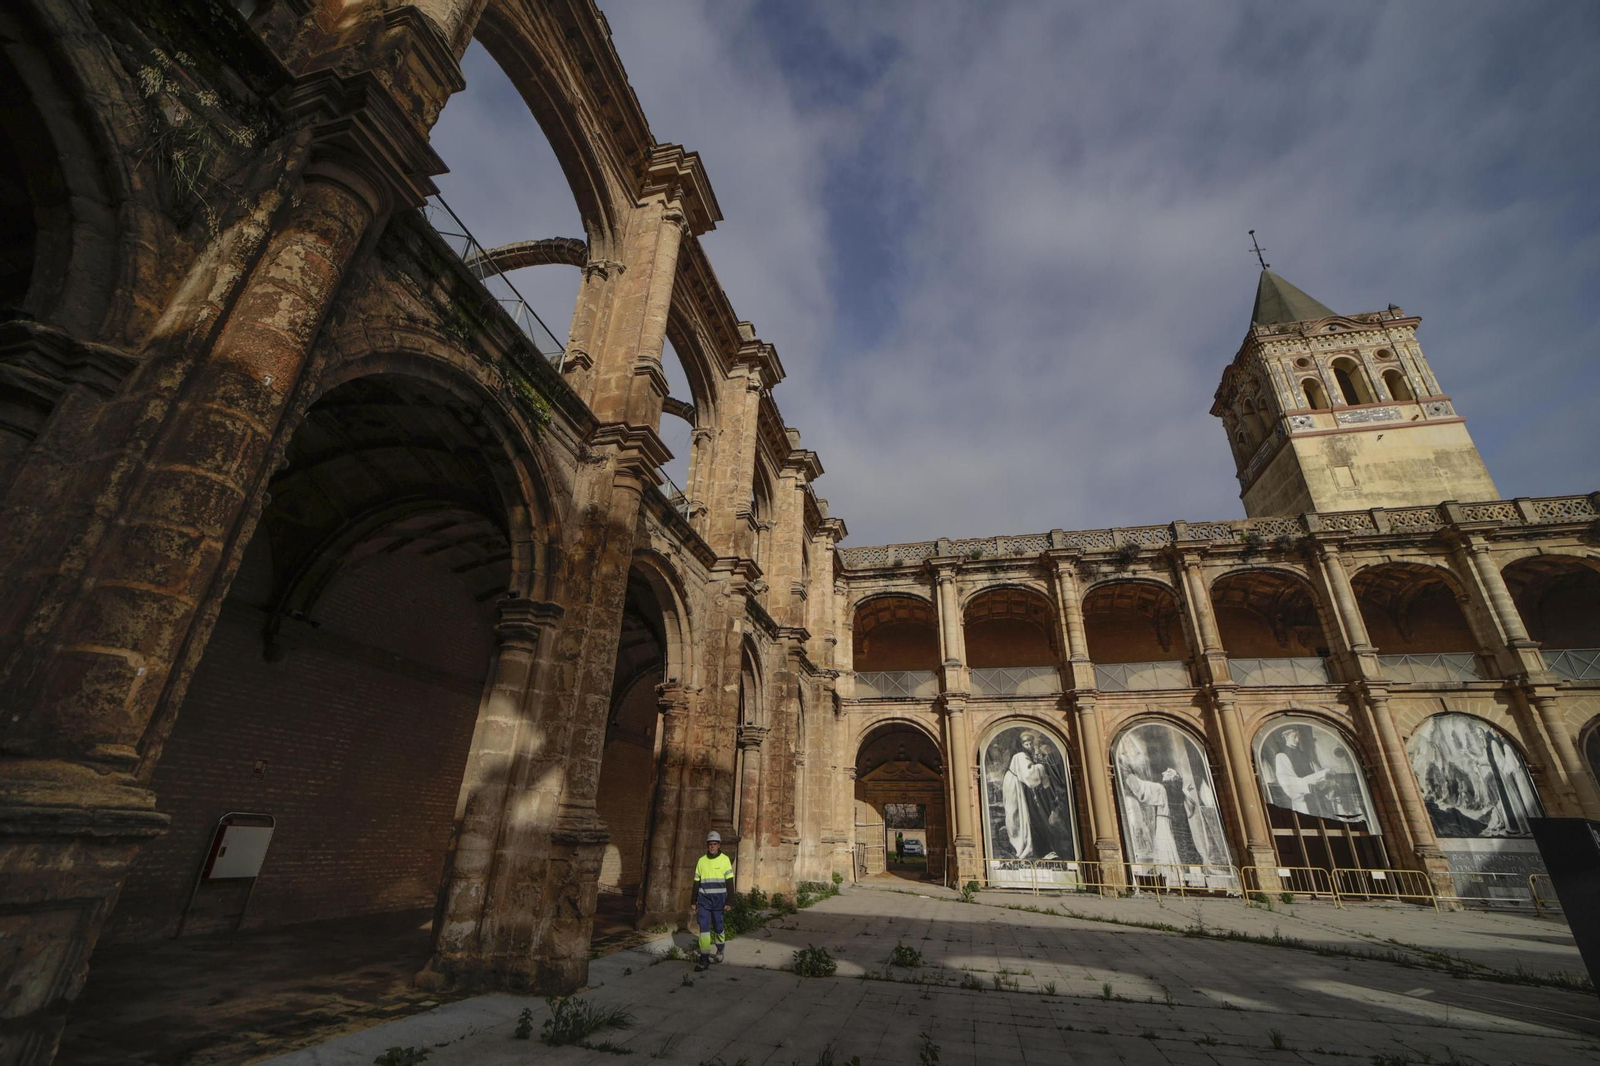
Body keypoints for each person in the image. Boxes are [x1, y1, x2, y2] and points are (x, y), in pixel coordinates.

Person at [691, 829, 734, 971]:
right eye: (710, 844)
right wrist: (693, 901)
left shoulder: (725, 860)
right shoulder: (701, 861)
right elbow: (696, 882)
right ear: (707, 845)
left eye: (715, 844)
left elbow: (729, 883)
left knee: (718, 927)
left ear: (719, 845)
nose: (712, 846)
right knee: (704, 928)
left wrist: (729, 901)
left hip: (719, 900)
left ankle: (720, 949)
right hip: (704, 900)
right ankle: (704, 958)